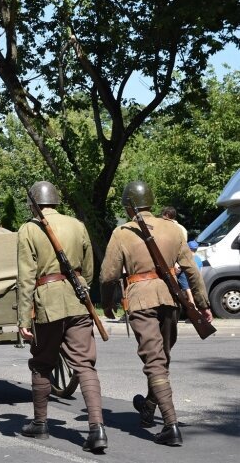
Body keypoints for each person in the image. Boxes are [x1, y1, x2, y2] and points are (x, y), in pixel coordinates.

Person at [101, 181, 212, 447]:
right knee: (161, 358)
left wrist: (107, 303)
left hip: (141, 299)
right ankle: (150, 405)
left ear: (128, 205)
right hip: (171, 298)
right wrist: (202, 303)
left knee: (154, 360)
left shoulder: (122, 232)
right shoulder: (173, 229)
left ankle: (171, 425)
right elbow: (191, 270)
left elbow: (108, 276)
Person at [17, 181, 107, 453]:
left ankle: (41, 424)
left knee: (42, 363)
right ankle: (97, 429)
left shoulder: (29, 229)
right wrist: (81, 287)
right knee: (85, 365)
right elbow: (89, 268)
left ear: (34, 203)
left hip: (48, 304)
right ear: (56, 201)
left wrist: (23, 319)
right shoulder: (77, 225)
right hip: (79, 301)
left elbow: (25, 279)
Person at [176, 240, 202, 306]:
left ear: (188, 249)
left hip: (186, 282)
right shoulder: (199, 259)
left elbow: (179, 269)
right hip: (195, 280)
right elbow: (200, 271)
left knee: (188, 292)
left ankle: (193, 306)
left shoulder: (187, 259)